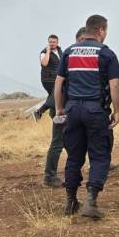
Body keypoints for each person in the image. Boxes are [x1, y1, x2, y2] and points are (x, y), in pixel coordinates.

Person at [53, 16, 119, 218]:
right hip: (96, 111)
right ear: (100, 30)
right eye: (106, 30)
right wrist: (116, 112)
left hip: (72, 110)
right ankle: (91, 200)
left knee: (74, 156)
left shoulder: (69, 52)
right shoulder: (106, 53)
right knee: (99, 155)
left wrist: (59, 108)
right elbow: (114, 85)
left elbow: (58, 83)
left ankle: (70, 201)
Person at [42, 28, 86, 188]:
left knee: (73, 141)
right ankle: (49, 176)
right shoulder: (69, 56)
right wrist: (59, 107)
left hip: (68, 105)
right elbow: (59, 83)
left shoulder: (70, 55)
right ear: (79, 38)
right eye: (83, 39)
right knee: (58, 141)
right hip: (60, 105)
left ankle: (76, 171)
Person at [33, 35, 63, 123]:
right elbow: (44, 63)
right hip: (48, 80)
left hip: (58, 79)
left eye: (54, 42)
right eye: (50, 42)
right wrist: (48, 52)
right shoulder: (44, 52)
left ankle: (52, 116)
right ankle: (40, 112)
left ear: (57, 42)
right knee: (55, 96)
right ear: (48, 42)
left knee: (54, 98)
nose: (52, 44)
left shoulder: (60, 51)